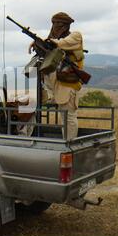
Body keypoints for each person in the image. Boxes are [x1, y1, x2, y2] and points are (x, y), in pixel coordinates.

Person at [30, 12, 85, 140]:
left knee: (69, 117)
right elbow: (50, 48)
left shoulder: (75, 36)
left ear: (66, 25)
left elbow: (60, 43)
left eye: (59, 24)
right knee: (63, 118)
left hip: (68, 85)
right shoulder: (55, 41)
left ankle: (69, 145)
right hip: (57, 86)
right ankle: (65, 142)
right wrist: (37, 43)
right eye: (54, 24)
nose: (55, 27)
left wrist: (44, 40)